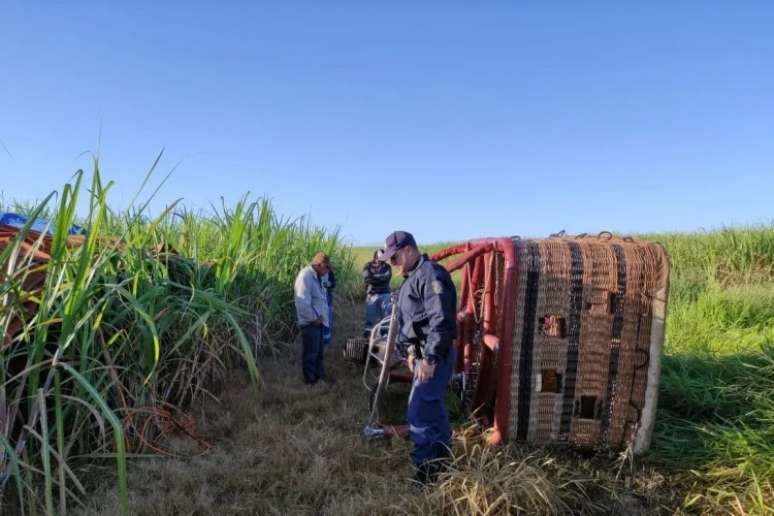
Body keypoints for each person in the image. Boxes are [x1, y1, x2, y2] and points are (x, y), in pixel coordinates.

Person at [379, 231, 457, 483]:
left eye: (396, 258)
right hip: (422, 355)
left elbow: (440, 321)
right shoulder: (412, 277)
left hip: (433, 356)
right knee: (432, 407)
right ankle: (443, 459)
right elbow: (413, 321)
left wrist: (430, 359)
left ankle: (425, 474)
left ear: (409, 250)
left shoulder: (431, 275)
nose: (393, 264)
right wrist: (412, 353)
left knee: (418, 413)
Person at [293, 252, 331, 385]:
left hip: (319, 321)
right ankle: (310, 381)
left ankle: (319, 377)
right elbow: (301, 302)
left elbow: (321, 297)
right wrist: (314, 318)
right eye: (326, 268)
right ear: (319, 265)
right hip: (310, 323)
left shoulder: (319, 276)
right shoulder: (305, 276)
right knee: (311, 353)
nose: (328, 271)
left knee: (319, 352)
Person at [362, 250, 392, 337]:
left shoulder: (387, 267)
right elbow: (367, 279)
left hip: (385, 294)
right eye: (380, 258)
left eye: (384, 258)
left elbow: (387, 278)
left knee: (386, 318)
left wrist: (374, 277)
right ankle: (368, 337)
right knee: (370, 318)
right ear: (375, 257)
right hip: (372, 295)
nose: (382, 260)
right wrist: (380, 278)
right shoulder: (368, 266)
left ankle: (385, 336)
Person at [320, 268, 336, 346]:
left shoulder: (329, 271)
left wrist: (328, 284)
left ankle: (326, 341)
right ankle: (320, 341)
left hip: (327, 298)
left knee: (328, 320)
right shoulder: (315, 272)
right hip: (318, 299)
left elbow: (333, 283)